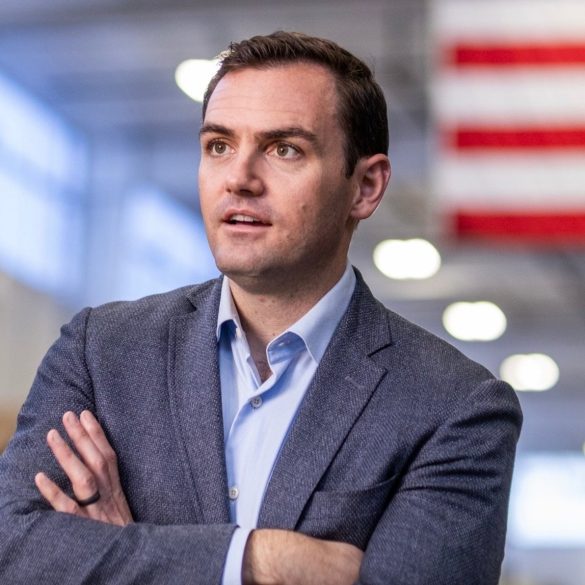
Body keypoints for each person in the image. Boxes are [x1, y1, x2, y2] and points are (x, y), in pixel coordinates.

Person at [0, 32, 522, 585]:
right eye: (219, 146)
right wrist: (260, 559)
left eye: (284, 149)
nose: (239, 179)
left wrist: (125, 557)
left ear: (365, 187)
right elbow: (13, 547)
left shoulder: (456, 407)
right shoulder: (102, 351)